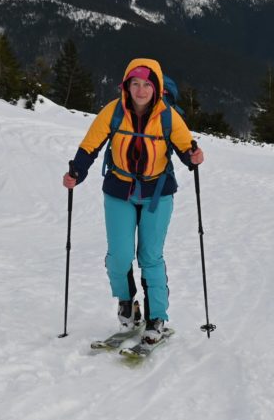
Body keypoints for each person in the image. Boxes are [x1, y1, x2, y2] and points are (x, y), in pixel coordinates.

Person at [62, 58, 204, 345]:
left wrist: (194, 157)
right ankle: (127, 304)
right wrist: (76, 172)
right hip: (119, 190)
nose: (140, 91)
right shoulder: (113, 112)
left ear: (157, 88)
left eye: (147, 85)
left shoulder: (167, 116)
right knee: (119, 256)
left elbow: (185, 149)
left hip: (158, 193)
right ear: (126, 86)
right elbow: (90, 145)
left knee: (150, 256)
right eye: (135, 84)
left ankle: (157, 318)